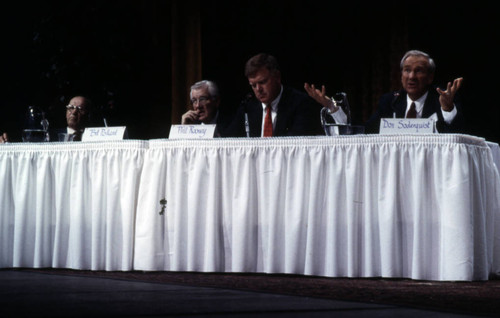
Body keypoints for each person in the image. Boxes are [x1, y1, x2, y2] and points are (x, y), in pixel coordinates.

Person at [223, 53, 323, 137]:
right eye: (253, 85)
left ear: (277, 77)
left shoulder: (300, 103)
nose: (258, 90)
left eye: (262, 82)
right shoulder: (248, 107)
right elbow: (228, 140)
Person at [365, 50, 465, 133]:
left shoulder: (443, 100)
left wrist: (448, 109)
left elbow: (457, 134)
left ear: (430, 77)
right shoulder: (389, 100)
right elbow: (369, 131)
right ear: (401, 75)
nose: (412, 76)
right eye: (407, 70)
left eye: (418, 71)